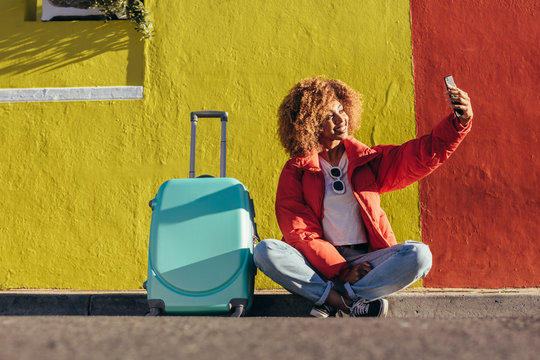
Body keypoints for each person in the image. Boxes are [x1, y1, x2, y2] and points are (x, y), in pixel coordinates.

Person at [253, 76, 473, 317]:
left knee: (420, 255)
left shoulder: (368, 160)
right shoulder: (296, 171)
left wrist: (458, 123)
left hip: (368, 263)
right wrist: (341, 270)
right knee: (266, 250)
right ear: (311, 124)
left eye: (341, 109)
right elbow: (300, 232)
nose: (341, 119)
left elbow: (420, 155)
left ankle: (335, 299)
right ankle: (349, 302)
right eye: (329, 116)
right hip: (319, 265)